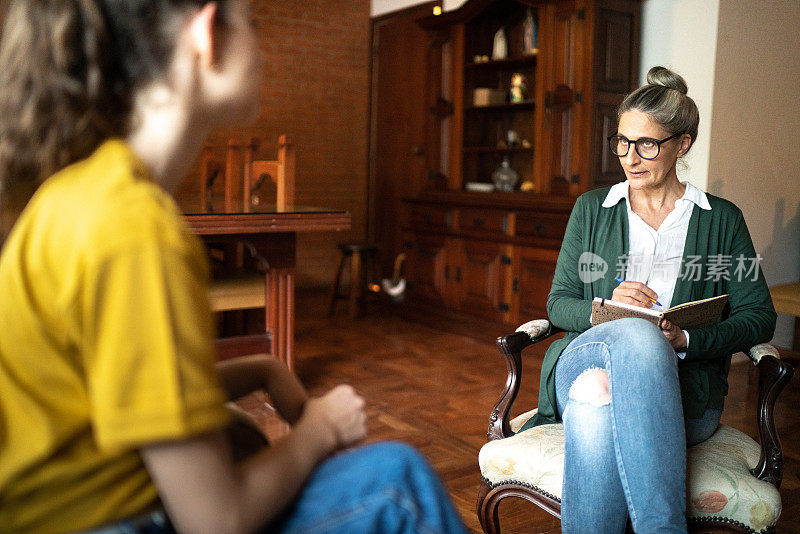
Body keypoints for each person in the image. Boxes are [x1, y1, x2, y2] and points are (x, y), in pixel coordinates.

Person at [0, 2, 466, 533]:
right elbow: (216, 521)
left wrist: (263, 367)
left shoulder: (76, 194)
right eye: (254, 26)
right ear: (207, 35)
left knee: (240, 435)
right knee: (395, 480)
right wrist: (320, 428)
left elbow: (131, 391)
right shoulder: (134, 227)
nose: (261, 48)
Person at [517, 66, 776, 532]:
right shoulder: (591, 210)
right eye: (622, 141)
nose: (630, 157)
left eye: (647, 144)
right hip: (588, 356)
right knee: (634, 337)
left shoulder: (723, 220)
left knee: (599, 400)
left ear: (684, 143)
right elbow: (559, 304)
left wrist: (685, 340)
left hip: (683, 390)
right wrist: (603, 304)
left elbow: (759, 318)